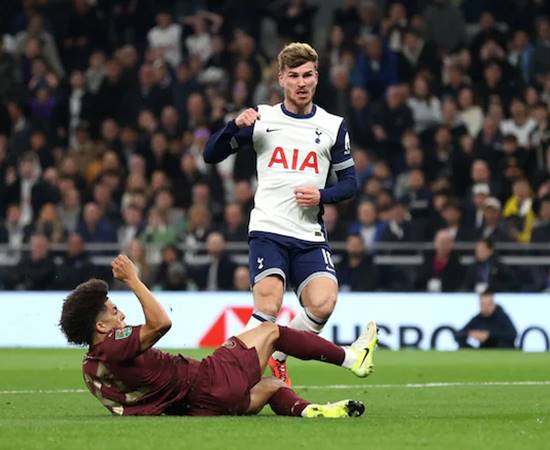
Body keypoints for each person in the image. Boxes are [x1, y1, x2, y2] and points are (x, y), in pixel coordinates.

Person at [203, 42, 358, 386]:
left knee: (323, 303)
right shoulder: (263, 119)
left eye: (307, 75)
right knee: (269, 306)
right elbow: (210, 155)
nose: (301, 83)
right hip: (268, 229)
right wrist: (232, 126)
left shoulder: (333, 126)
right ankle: (224, 377)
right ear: (281, 80)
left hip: (308, 234)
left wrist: (322, 194)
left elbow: (350, 184)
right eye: (293, 76)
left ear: (317, 78)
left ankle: (277, 354)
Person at [59, 255, 378, 418]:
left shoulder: (90, 368)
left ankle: (311, 411)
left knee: (271, 386)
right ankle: (354, 358)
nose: (121, 316)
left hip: (198, 405)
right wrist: (133, 279)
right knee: (272, 331)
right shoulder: (112, 346)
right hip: (206, 380)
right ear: (100, 327)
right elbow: (160, 323)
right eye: (114, 312)